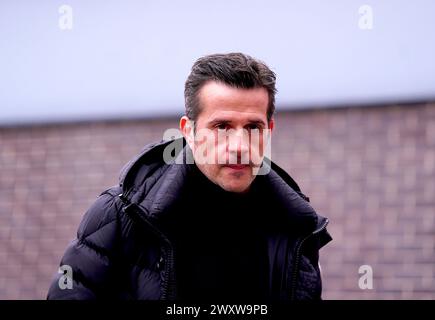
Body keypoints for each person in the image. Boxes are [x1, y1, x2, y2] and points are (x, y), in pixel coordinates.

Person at [47, 52, 332, 301]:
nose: (239, 146)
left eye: (253, 128)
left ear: (269, 130)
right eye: (222, 126)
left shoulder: (297, 227)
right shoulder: (121, 216)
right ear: (188, 131)